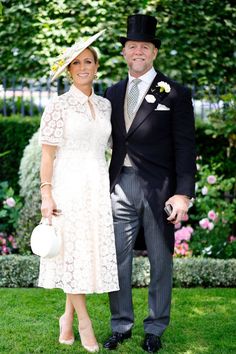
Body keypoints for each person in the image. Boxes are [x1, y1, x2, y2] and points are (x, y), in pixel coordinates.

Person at [103, 14, 196, 353]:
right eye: (132, 46)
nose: (138, 51)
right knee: (117, 259)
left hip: (159, 190)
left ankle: (155, 328)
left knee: (160, 260)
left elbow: (186, 146)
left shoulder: (174, 93)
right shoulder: (111, 93)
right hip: (119, 186)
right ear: (125, 53)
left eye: (144, 46)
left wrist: (183, 193)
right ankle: (121, 325)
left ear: (154, 52)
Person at [38, 30, 119, 353]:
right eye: (77, 63)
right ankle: (84, 322)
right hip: (67, 186)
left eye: (89, 61)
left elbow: (114, 146)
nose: (84, 67)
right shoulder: (58, 106)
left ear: (97, 67)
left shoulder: (105, 105)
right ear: (69, 70)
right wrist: (47, 194)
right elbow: (48, 154)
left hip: (96, 186)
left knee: (84, 253)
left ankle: (66, 318)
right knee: (70, 253)